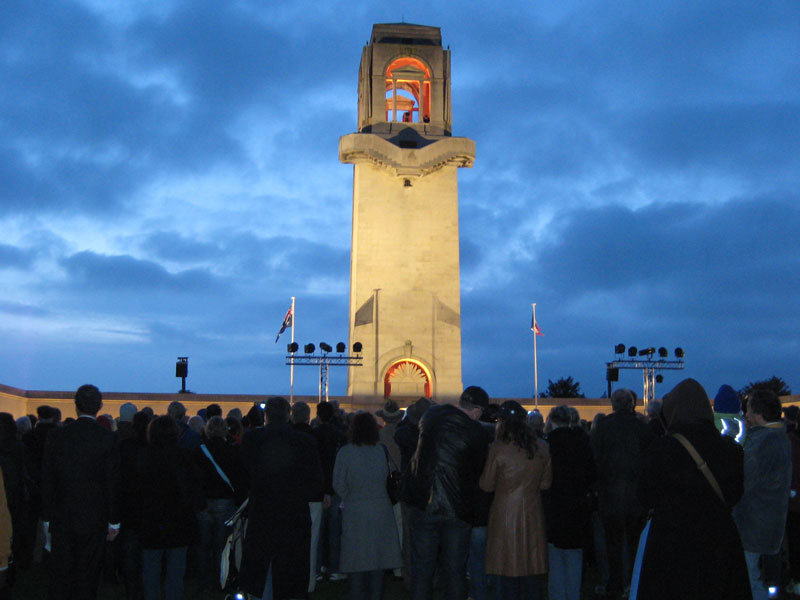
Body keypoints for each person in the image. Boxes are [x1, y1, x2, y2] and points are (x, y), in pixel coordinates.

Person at [633, 378, 751, 599]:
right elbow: (735, 494)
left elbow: (645, 495)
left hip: (672, 542)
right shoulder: (731, 450)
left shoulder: (662, 448)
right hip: (719, 541)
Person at [402, 386, 490, 600]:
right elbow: (479, 473)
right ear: (478, 411)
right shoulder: (477, 432)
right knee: (455, 572)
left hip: (423, 504)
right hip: (457, 510)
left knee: (422, 570)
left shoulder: (431, 416)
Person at [238, 397, 323, 600]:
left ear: (266, 415)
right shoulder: (305, 441)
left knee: (262, 568)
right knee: (291, 571)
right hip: (294, 513)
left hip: (262, 511)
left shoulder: (252, 439)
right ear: (288, 414)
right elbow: (315, 480)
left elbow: (243, 477)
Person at [41, 384, 121, 600]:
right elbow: (112, 483)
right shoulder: (107, 439)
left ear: (75, 406)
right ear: (100, 406)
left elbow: (48, 478)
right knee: (87, 575)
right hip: (93, 517)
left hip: (62, 514)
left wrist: (47, 516)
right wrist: (114, 521)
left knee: (61, 575)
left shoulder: (58, 437)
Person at [480, 400, 551, 600]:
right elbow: (546, 484)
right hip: (532, 514)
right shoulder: (543, 447)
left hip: (504, 515)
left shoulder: (497, 448)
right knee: (531, 569)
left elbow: (486, 484)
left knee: (505, 571)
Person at [591, 388, 655, 599]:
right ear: (631, 404)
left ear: (613, 405)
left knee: (613, 544)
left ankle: (615, 584)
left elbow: (595, 461)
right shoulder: (642, 429)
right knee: (634, 544)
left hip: (610, 496)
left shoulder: (603, 428)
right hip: (636, 498)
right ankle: (633, 584)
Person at [333, 411, 402, 600]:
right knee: (377, 563)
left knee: (356, 563)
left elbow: (338, 483)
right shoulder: (381, 451)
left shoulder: (345, 452)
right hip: (381, 510)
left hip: (355, 511)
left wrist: (351, 498)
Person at [137, 415, 205, 600]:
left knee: (151, 569)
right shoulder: (184, 456)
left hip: (152, 520)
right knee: (176, 572)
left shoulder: (144, 456)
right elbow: (194, 488)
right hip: (179, 521)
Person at [733, 388, 792, 600]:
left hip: (753, 524)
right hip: (767, 522)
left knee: (749, 581)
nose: (745, 415)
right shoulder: (780, 437)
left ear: (758, 413)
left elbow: (742, 481)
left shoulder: (762, 442)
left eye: (748, 410)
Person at [545, 405, 595, 600]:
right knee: (574, 556)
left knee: (555, 557)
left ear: (553, 420)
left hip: (555, 506)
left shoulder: (549, 444)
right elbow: (592, 474)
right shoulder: (583, 442)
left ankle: (558, 595)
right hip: (577, 506)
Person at [194, 415, 246, 591]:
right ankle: (220, 578)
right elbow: (239, 478)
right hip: (225, 500)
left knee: (203, 544)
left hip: (204, 501)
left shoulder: (199, 451)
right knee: (222, 544)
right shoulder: (233, 451)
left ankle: (202, 580)